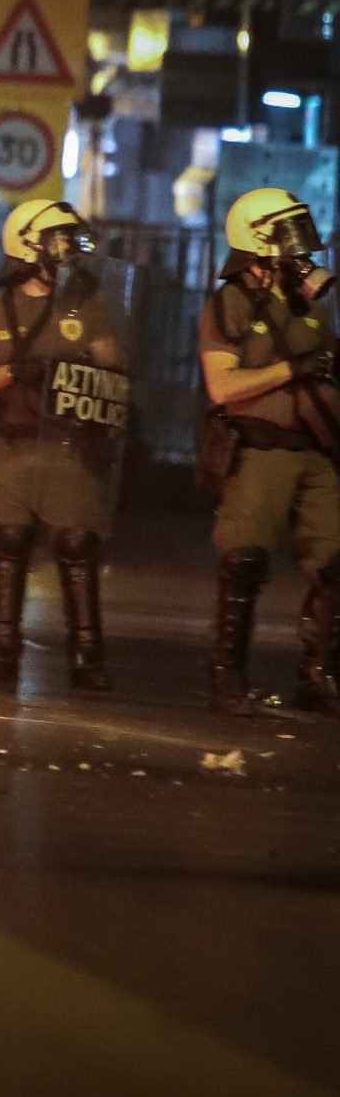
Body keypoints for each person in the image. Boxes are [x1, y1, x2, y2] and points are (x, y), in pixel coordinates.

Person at [0, 198, 127, 691]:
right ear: (27, 245)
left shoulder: (87, 310)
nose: (68, 249)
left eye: (70, 239)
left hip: (70, 447)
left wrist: (83, 378)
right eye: (58, 239)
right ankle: (1, 653)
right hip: (12, 446)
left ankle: (88, 658)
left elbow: (114, 373)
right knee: (9, 544)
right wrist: (14, 371)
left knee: (77, 544)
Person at [199, 186, 340, 715]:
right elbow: (222, 387)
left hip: (317, 451)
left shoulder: (310, 303)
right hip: (260, 449)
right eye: (286, 231)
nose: (298, 243)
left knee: (334, 563)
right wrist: (290, 370)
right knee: (245, 560)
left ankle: (318, 677)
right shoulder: (228, 303)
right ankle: (228, 680)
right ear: (256, 238)